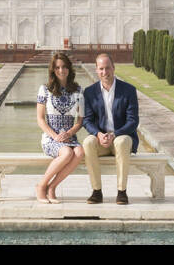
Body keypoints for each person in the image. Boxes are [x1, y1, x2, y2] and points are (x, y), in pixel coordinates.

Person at [81, 53, 139, 205]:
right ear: (96, 70)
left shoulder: (128, 90)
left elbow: (133, 121)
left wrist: (115, 134)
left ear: (113, 68)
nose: (104, 72)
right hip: (101, 139)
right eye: (101, 69)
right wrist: (98, 134)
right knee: (87, 142)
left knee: (121, 142)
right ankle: (96, 191)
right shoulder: (89, 92)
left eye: (107, 68)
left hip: (121, 136)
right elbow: (86, 120)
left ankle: (122, 192)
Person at [35, 52, 86, 204]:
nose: (61, 70)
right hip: (50, 138)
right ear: (53, 70)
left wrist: (70, 133)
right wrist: (54, 136)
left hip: (69, 137)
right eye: (57, 67)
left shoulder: (78, 91)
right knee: (66, 153)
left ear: (69, 69)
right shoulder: (45, 89)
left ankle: (52, 187)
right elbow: (40, 119)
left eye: (64, 67)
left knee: (79, 152)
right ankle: (41, 186)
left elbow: (80, 120)